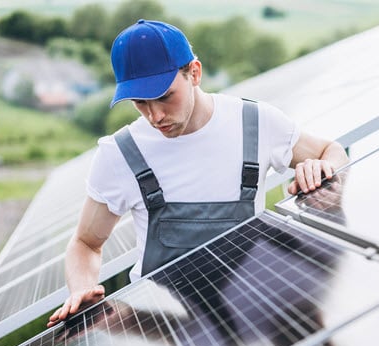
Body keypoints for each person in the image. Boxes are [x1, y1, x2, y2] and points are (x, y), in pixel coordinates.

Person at [47, 19, 349, 328]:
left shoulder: (255, 123)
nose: (155, 115)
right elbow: (86, 242)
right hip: (164, 330)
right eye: (140, 102)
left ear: (194, 72)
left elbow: (332, 151)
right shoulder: (119, 155)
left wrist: (325, 171)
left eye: (164, 96)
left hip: (251, 315)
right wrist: (82, 288)